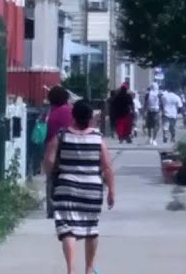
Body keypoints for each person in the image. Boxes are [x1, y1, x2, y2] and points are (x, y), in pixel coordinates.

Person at [45, 100, 114, 274]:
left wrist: (50, 173)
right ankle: (89, 269)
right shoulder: (98, 139)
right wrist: (111, 191)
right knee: (91, 228)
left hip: (66, 187)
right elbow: (107, 167)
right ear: (91, 118)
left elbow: (50, 161)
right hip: (91, 188)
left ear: (73, 116)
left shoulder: (62, 136)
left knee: (68, 229)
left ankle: (70, 270)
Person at [44, 86, 74, 218]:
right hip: (73, 148)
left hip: (56, 150)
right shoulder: (72, 111)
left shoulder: (52, 115)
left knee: (52, 178)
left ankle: (52, 208)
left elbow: (49, 134)